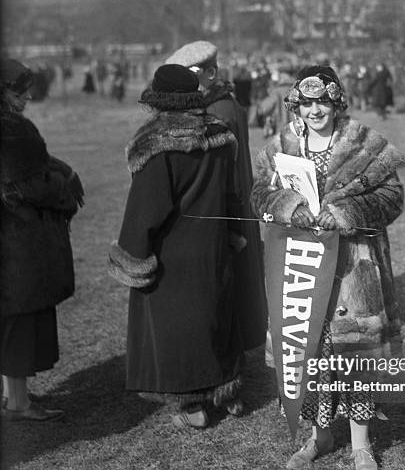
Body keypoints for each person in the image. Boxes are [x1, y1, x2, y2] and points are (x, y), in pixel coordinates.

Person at [251, 65, 404, 470]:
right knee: (308, 354)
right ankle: (320, 437)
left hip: (354, 272)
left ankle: (360, 445)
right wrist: (291, 209)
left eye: (322, 101)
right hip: (300, 269)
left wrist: (345, 213)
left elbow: (392, 197)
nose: (315, 110)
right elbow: (259, 194)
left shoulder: (364, 144)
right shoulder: (279, 148)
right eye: (306, 102)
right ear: (295, 105)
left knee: (355, 357)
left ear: (336, 102)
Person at [108, 65, 244, 429]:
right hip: (213, 247)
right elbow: (230, 195)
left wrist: (133, 255)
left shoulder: (155, 143)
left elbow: (146, 210)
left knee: (180, 326)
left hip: (172, 254)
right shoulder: (219, 134)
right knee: (215, 318)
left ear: (158, 97)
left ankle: (193, 406)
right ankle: (226, 393)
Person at [165, 42, 267, 373]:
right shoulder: (225, 104)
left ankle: (227, 363)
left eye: (192, 76)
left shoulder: (217, 112)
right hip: (230, 204)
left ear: (210, 73)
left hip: (224, 206)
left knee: (226, 286)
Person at [1, 58, 84, 421]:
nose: (28, 97)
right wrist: (65, 184)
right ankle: (18, 402)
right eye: (20, 91)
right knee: (17, 319)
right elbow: (29, 184)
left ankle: (11, 396)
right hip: (16, 241)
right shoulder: (11, 129)